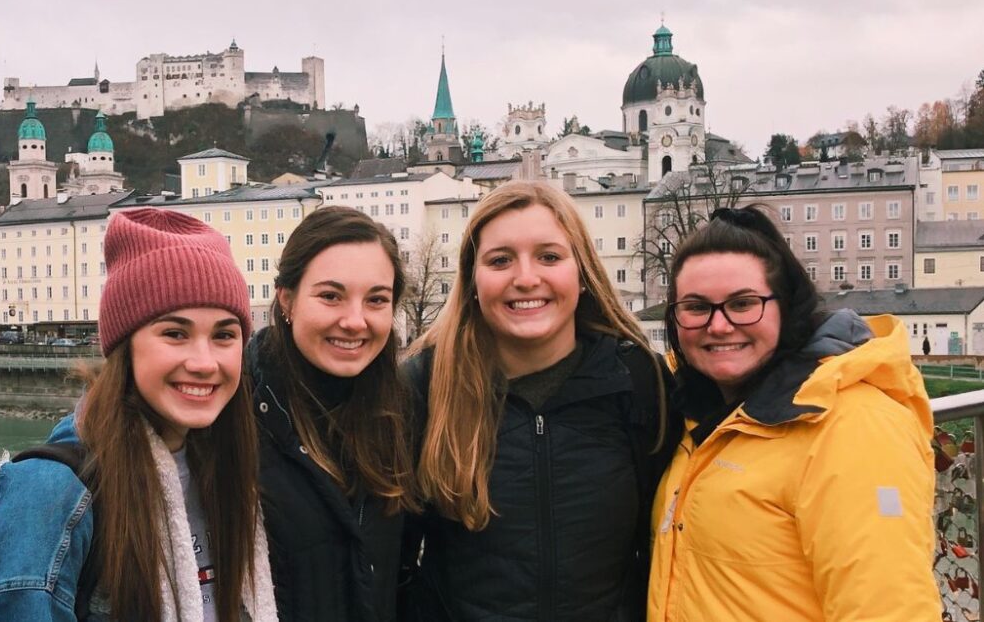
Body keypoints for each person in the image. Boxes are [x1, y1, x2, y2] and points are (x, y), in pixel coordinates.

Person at [0, 208, 277, 621]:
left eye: (224, 335)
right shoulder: (49, 494)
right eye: (175, 334)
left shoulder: (230, 467)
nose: (204, 362)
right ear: (124, 346)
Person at [649, 205, 940, 621]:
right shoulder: (700, 412)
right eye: (696, 307)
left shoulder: (852, 426)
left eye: (743, 303)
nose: (718, 325)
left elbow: (887, 609)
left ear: (785, 307)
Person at [403, 182, 674, 621]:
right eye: (500, 260)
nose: (526, 278)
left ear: (582, 273)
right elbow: (390, 564)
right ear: (472, 280)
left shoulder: (638, 380)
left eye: (549, 256)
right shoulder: (424, 386)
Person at [247, 206, 419, 621]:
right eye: (330, 296)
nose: (355, 321)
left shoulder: (401, 410)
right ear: (287, 300)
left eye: (376, 299)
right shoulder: (237, 409)